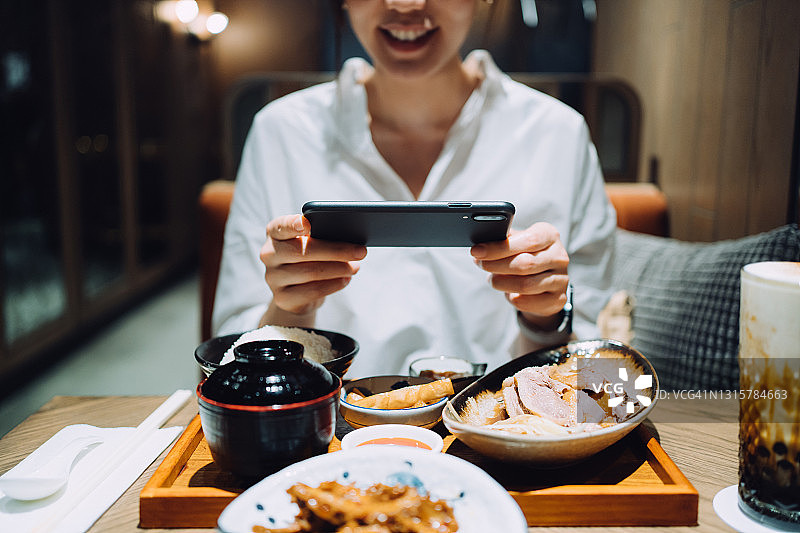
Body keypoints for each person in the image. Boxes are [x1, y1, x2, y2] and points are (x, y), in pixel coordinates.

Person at [212, 0, 617, 378]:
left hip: (509, 436)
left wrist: (547, 317)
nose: (405, 4)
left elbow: (604, 369)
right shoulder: (280, 132)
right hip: (332, 435)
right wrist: (291, 311)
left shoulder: (559, 134)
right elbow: (225, 355)